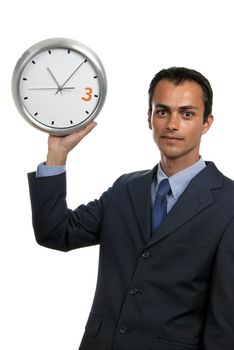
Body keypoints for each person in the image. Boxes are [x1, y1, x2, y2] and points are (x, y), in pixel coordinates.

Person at [28, 67, 234, 350]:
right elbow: (55, 232)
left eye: (187, 114)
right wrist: (57, 155)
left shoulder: (229, 203)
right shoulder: (125, 189)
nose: (172, 124)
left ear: (207, 123)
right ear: (150, 119)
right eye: (162, 112)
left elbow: (225, 322)